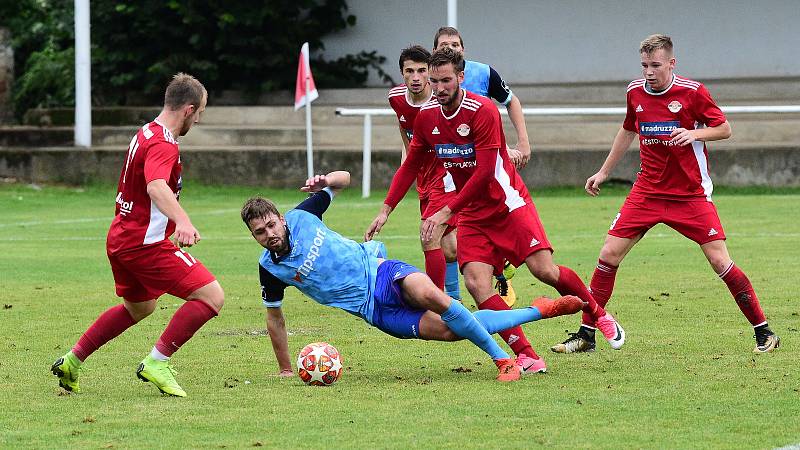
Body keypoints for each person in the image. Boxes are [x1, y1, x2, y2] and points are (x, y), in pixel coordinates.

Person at [367, 47, 625, 376]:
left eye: (446, 80)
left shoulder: (483, 110)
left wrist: (446, 212)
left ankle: (597, 312)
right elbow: (411, 164)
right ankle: (527, 354)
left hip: (507, 204)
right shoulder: (427, 116)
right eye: (435, 81)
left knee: (544, 271)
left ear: (461, 78)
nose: (439, 87)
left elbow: (485, 172)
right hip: (473, 213)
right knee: (476, 284)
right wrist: (385, 210)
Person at [551, 34, 780, 354]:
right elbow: (628, 129)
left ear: (671, 64)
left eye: (655, 65)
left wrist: (693, 133)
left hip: (690, 194)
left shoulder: (692, 92)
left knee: (719, 260)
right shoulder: (635, 92)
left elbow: (724, 128)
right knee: (608, 255)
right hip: (647, 191)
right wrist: (603, 171)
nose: (648, 71)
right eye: (644, 65)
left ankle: (764, 332)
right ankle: (587, 334)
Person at [241, 170, 584, 382]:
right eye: (259, 232)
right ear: (254, 236)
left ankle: (503, 360)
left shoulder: (302, 215)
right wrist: (286, 368)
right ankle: (542, 310)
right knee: (452, 331)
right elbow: (275, 319)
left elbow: (345, 178)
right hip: (373, 311)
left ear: (281, 219)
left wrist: (326, 181)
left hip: (382, 271)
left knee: (438, 297)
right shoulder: (270, 268)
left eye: (271, 224)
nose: (268, 233)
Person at [51, 73, 225, 397]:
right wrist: (184, 222)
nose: (199, 119)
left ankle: (72, 361)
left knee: (140, 308)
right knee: (211, 296)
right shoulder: (164, 143)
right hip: (144, 244)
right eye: (199, 112)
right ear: (188, 109)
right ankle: (157, 362)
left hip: (121, 237)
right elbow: (156, 185)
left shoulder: (146, 131)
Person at [433, 26, 529, 304]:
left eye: (454, 44)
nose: (449, 48)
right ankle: (455, 299)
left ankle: (493, 273)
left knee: (467, 231)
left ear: (463, 49)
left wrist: (520, 143)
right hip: (449, 169)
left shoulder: (484, 73)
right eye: (443, 45)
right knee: (447, 237)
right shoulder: (432, 81)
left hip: (487, 166)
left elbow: (510, 102)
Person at [387, 45, 461, 302]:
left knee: (429, 235)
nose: (416, 77)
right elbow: (403, 125)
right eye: (410, 71)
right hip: (424, 178)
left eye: (421, 71)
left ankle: (438, 302)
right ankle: (494, 260)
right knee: (450, 247)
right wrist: (409, 160)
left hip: (447, 176)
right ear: (402, 73)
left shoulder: (440, 100)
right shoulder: (395, 97)